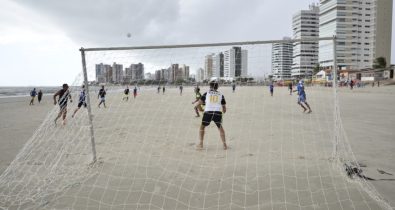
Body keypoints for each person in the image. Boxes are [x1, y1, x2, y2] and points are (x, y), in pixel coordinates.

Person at [196, 80, 227, 150]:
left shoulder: (206, 93)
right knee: (220, 127)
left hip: (208, 112)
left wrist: (200, 109)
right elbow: (224, 108)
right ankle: (224, 145)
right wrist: (223, 111)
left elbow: (198, 104)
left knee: (202, 127)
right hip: (217, 112)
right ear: (217, 87)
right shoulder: (221, 95)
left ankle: (201, 144)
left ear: (210, 86)